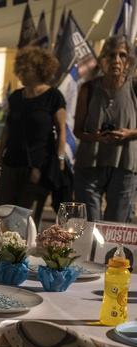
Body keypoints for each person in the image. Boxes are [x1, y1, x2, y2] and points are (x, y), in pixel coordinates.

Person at [0, 47, 66, 225]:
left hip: (37, 165)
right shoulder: (16, 97)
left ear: (40, 70)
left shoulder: (53, 96)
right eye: (20, 69)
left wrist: (60, 158)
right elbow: (8, 128)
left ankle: (23, 251)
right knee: (2, 213)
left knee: (26, 218)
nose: (21, 73)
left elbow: (62, 129)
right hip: (11, 162)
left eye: (26, 69)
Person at [73, 35, 137, 223]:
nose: (116, 60)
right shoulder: (89, 88)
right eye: (110, 55)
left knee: (115, 227)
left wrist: (129, 133)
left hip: (124, 164)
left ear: (128, 61)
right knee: (89, 226)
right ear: (102, 60)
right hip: (89, 164)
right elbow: (77, 130)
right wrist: (96, 137)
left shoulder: (134, 87)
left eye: (122, 55)